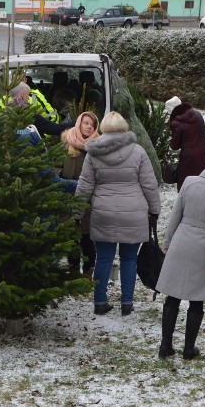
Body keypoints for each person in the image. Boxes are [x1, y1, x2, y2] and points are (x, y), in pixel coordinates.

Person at [75, 111, 161, 316]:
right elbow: (149, 184)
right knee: (129, 259)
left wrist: (76, 213)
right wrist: (155, 210)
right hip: (133, 212)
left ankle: (99, 302)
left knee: (103, 259)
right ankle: (127, 303)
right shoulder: (138, 151)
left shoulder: (93, 153)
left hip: (103, 212)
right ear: (123, 127)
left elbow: (84, 186)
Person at [156, 147, 205, 360]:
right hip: (204, 248)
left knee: (172, 296)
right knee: (197, 300)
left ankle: (165, 345)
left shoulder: (190, 182)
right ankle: (189, 348)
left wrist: (168, 242)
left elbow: (175, 215)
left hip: (181, 241)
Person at [60, 111, 100, 278]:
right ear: (79, 124)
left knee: (86, 236)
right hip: (68, 197)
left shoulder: (97, 148)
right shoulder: (66, 143)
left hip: (88, 200)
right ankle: (73, 267)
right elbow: (54, 165)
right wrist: (62, 177)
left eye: (92, 124)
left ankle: (89, 269)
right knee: (71, 234)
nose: (89, 126)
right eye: (86, 123)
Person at [166, 96, 205, 192]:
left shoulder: (176, 123)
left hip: (188, 157)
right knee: (202, 179)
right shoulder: (197, 114)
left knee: (185, 183)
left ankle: (186, 202)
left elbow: (175, 146)